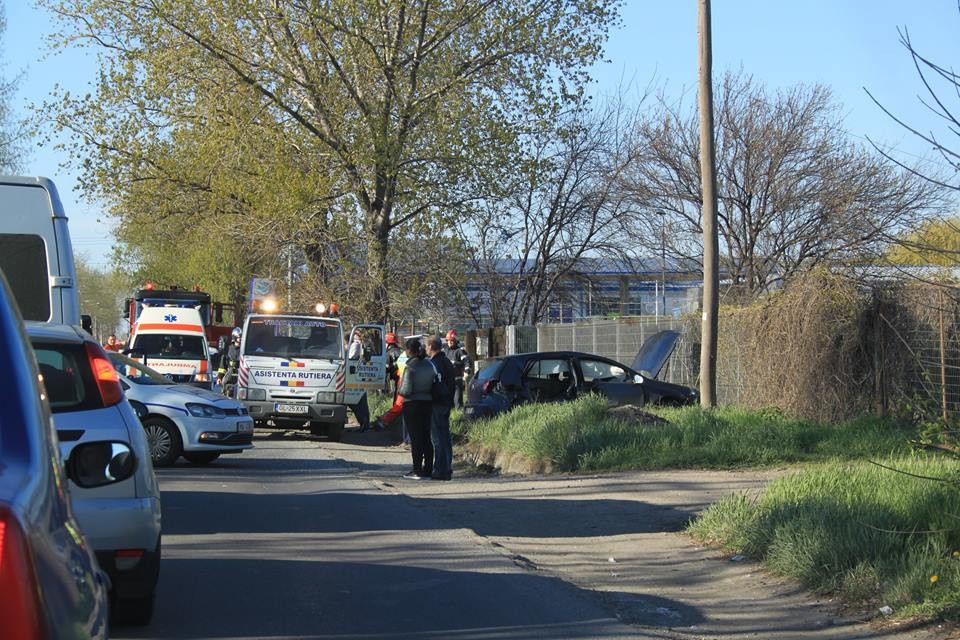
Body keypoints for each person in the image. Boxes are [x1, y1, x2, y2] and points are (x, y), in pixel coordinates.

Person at [397, 337, 434, 479]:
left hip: (412, 403)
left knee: (415, 437)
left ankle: (417, 470)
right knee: (426, 436)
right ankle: (428, 469)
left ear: (408, 350)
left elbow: (405, 390)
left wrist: (399, 389)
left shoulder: (410, 366)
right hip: (428, 402)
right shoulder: (429, 365)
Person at [426, 334, 455, 480]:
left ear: (431, 346)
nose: (426, 349)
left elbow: (432, 384)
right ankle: (447, 468)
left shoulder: (433, 364)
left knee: (438, 438)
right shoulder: (447, 361)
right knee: (445, 437)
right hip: (446, 403)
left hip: (436, 403)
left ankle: (440, 470)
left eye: (426, 346)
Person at [348, 328, 371, 432]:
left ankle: (364, 423)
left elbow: (350, 357)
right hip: (355, 377)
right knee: (359, 402)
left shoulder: (356, 345)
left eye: (357, 335)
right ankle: (364, 424)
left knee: (357, 402)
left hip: (354, 378)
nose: (356, 337)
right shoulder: (356, 344)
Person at [443, 329, 472, 409]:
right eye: (448, 340)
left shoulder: (460, 351)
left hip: (457, 380)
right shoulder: (445, 351)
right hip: (447, 380)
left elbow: (467, 362)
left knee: (457, 402)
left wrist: (467, 371)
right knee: (448, 401)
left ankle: (459, 415)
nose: (449, 342)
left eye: (451, 340)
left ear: (455, 340)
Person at [216, 327, 242, 396]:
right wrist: (219, 377)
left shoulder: (244, 349)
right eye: (239, 337)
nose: (241, 339)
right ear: (234, 337)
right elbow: (223, 365)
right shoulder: (228, 349)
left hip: (241, 376)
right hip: (229, 377)